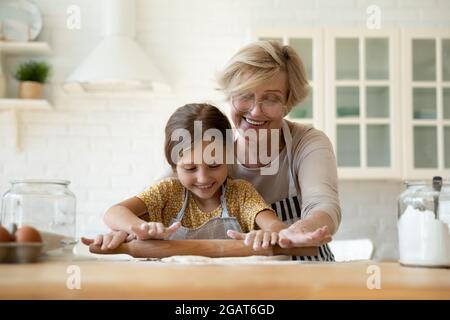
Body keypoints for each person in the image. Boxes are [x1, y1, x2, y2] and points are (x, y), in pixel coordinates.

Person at [82, 103, 290, 251]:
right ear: (174, 165)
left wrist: (268, 233)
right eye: (190, 168)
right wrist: (140, 228)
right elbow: (114, 213)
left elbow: (276, 226)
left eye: (214, 165)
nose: (203, 177)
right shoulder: (167, 192)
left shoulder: (240, 194)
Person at [217, 40, 340, 261]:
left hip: (310, 280)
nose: (255, 111)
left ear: (287, 103)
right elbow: (157, 195)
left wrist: (298, 231)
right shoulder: (211, 151)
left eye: (271, 98)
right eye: (245, 94)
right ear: (230, 95)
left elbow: (323, 204)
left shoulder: (308, 142)